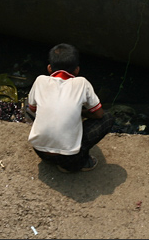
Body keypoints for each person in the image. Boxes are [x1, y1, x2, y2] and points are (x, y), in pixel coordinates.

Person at [26, 43, 114, 173]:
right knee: (107, 118)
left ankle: (49, 148)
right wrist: (80, 113)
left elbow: (32, 109)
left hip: (40, 150)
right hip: (70, 158)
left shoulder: (39, 80)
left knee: (29, 108)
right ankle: (78, 163)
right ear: (77, 70)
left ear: (49, 68)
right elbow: (99, 114)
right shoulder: (82, 83)